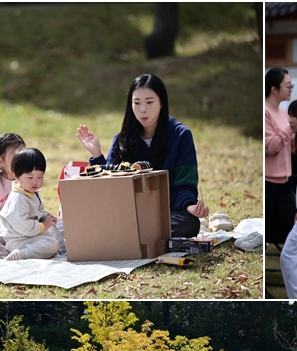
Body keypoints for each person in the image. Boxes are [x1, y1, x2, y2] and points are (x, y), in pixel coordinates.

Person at [76, 74, 208, 238]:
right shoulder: (122, 139)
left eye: (149, 102)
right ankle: (138, 234)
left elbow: (184, 183)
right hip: (129, 214)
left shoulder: (181, 135)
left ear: (162, 102)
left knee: (188, 223)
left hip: (166, 213)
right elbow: (109, 187)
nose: (143, 109)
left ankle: (126, 235)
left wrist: (189, 206)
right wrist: (96, 154)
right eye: (137, 103)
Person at [0, 148, 59, 261]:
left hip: (30, 236)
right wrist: (43, 226)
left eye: (40, 177)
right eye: (30, 177)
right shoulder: (18, 199)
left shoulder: (32, 193)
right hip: (18, 240)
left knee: (57, 232)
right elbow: (22, 225)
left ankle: (32, 250)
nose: (35, 182)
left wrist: (45, 217)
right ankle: (22, 254)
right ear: (17, 176)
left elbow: (37, 211)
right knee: (52, 245)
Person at [264, 67, 295, 245]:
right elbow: (270, 146)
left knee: (291, 229)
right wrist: (290, 129)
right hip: (269, 183)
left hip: (285, 181)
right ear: (274, 89)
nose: (291, 89)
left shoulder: (284, 112)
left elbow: (286, 144)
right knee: (269, 232)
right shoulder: (266, 111)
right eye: (288, 86)